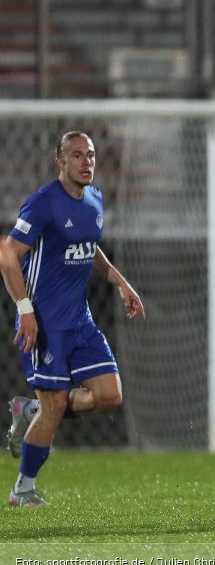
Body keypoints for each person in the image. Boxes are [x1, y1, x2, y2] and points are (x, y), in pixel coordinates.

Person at [2, 131, 145, 507]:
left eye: (91, 155)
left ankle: (29, 411)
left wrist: (120, 282)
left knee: (110, 395)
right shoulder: (44, 203)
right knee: (55, 407)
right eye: (77, 155)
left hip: (79, 321)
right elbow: (7, 254)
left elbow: (88, 246)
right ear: (60, 163)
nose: (87, 162)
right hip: (44, 325)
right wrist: (25, 310)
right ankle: (23, 489)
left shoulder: (95, 198)